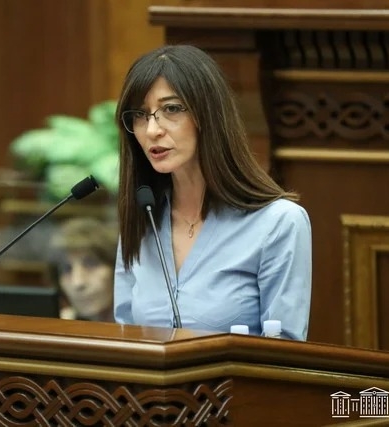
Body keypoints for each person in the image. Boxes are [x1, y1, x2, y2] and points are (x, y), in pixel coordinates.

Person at [113, 45, 312, 340]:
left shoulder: (279, 223)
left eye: (171, 109)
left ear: (208, 115)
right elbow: (124, 340)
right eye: (140, 115)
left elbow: (284, 351)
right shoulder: (143, 218)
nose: (152, 130)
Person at [49, 217, 118, 322]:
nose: (78, 283)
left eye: (91, 264)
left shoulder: (141, 324)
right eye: (67, 269)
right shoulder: (60, 323)